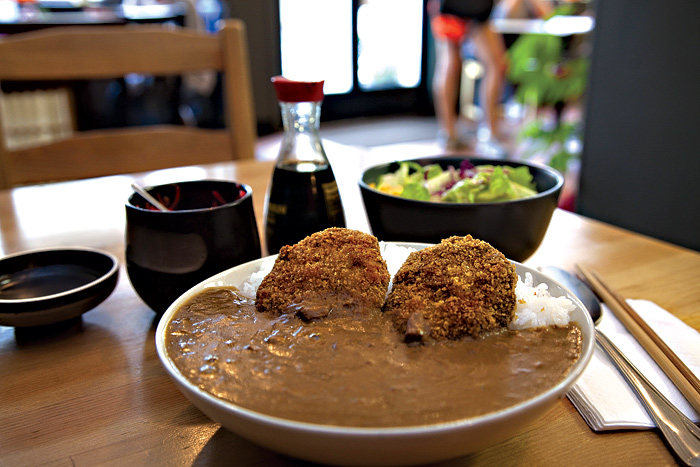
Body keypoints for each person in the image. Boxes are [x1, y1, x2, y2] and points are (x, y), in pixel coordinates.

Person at [429, 0, 507, 154]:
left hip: (469, 9)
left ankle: (451, 133)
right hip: (464, 8)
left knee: (493, 65)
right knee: (453, 63)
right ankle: (486, 134)